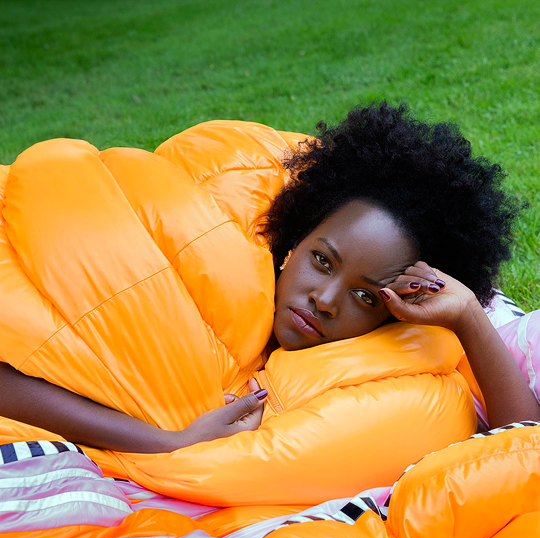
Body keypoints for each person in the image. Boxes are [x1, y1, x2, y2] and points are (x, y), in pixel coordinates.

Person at [1, 102, 538, 452]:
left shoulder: (399, 358)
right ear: (293, 241)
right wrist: (161, 441)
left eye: (364, 296)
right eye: (321, 261)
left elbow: (522, 447)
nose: (324, 300)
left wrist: (469, 316)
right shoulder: (224, 271)